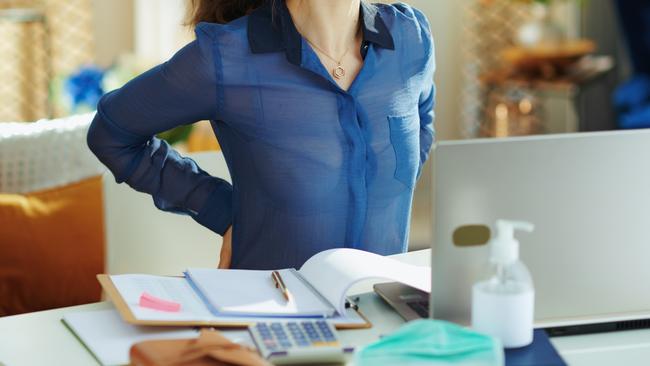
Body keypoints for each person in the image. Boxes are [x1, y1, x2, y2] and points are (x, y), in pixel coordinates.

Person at [87, 0, 436, 270]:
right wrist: (221, 209)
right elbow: (111, 132)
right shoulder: (225, 58)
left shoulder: (411, 38)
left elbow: (421, 123)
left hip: (383, 324)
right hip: (274, 324)